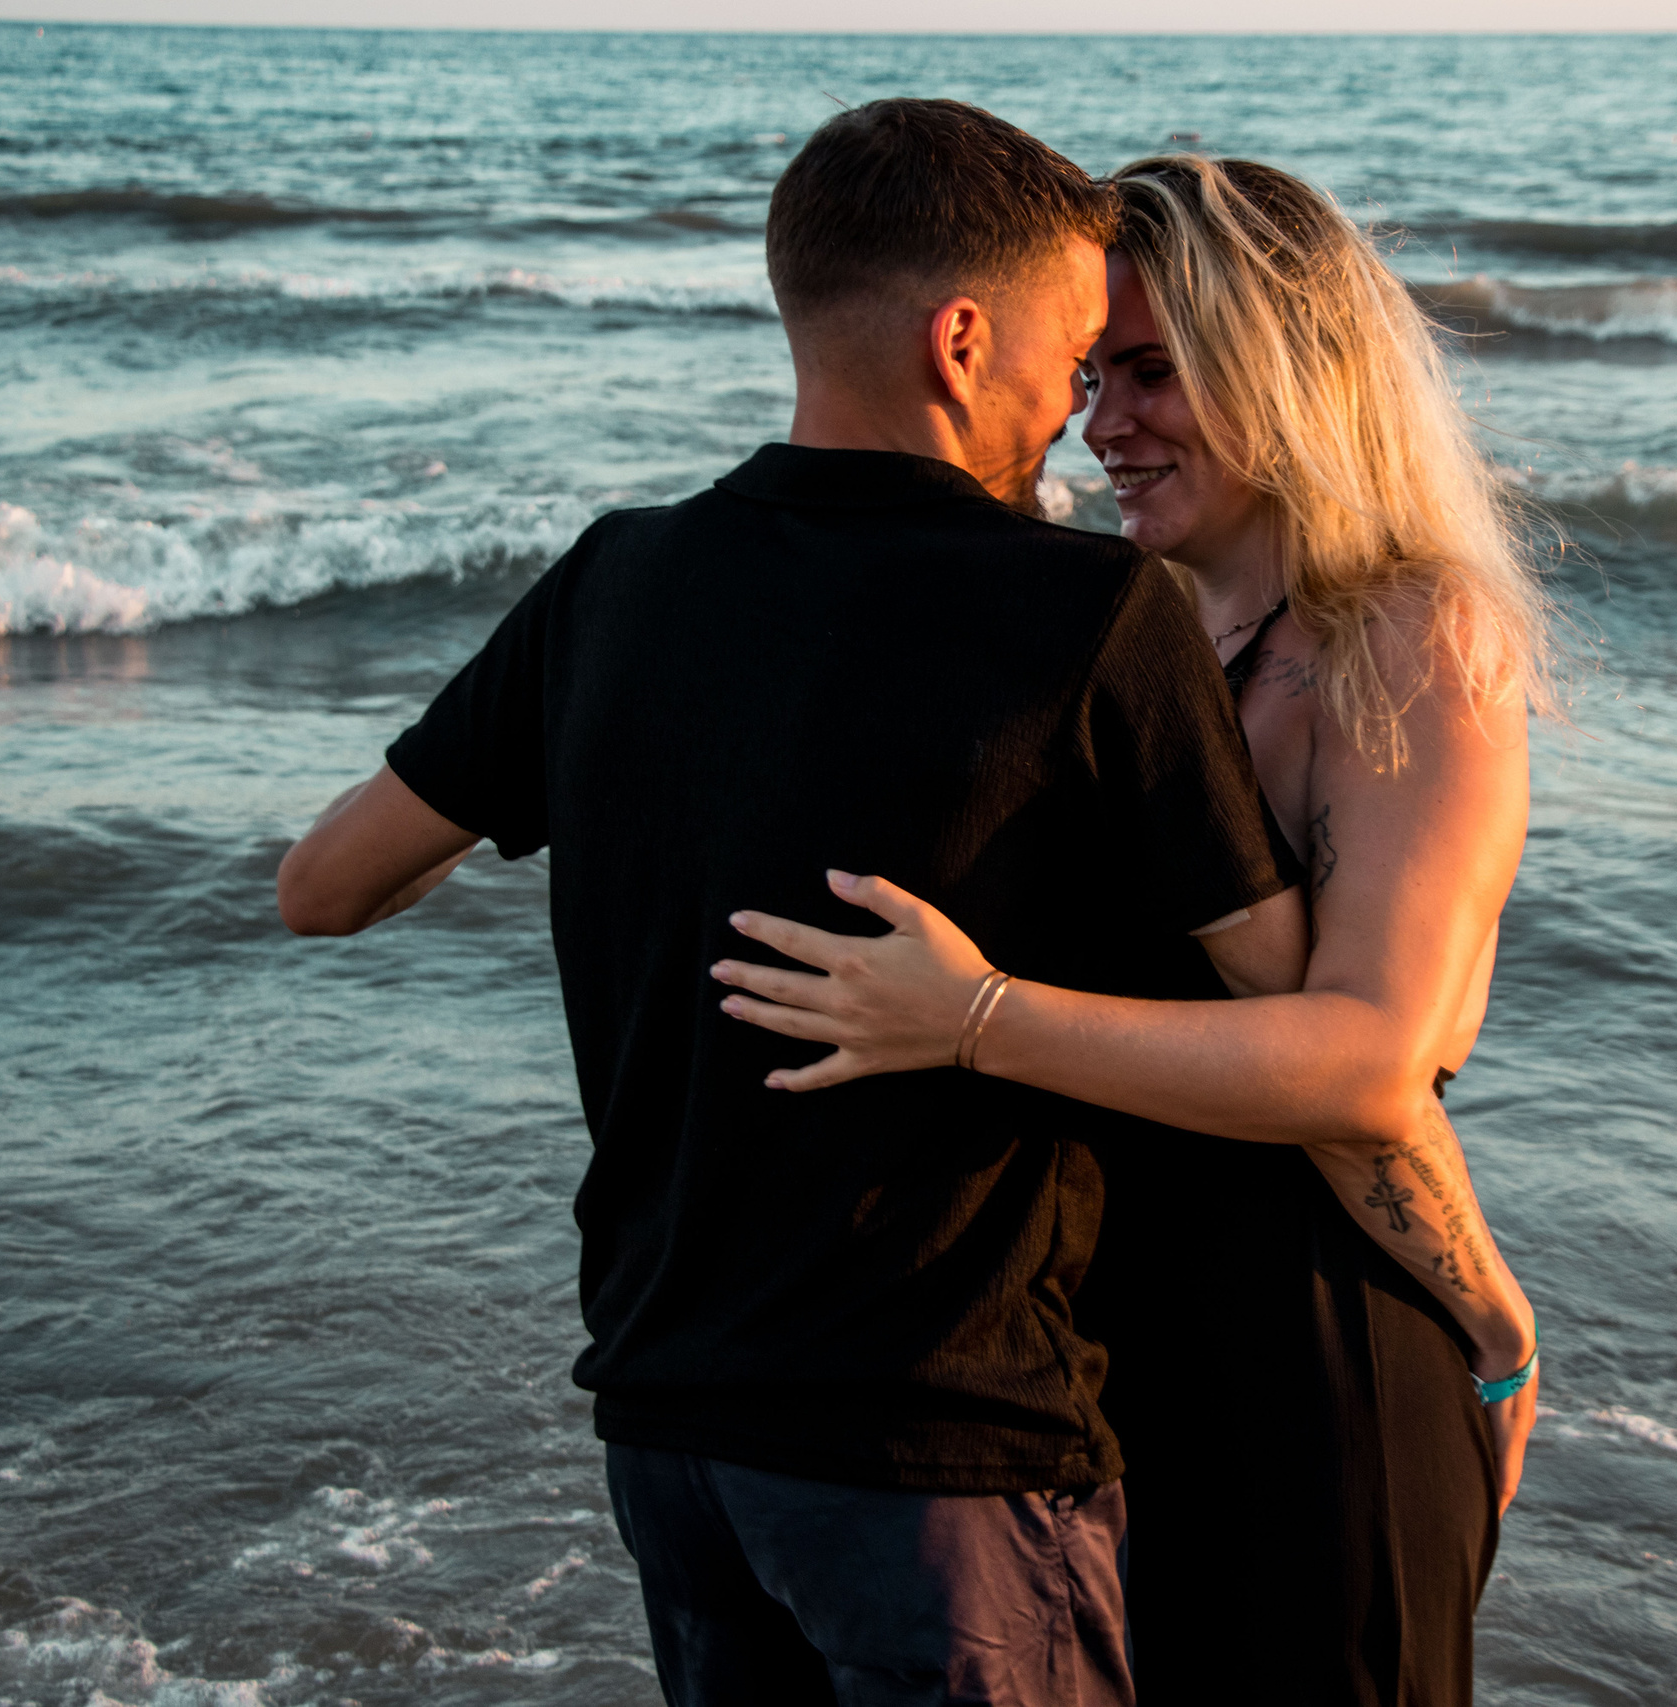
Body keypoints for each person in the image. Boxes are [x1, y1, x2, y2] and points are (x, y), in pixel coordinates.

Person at [276, 104, 1315, 1707]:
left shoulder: (611, 582)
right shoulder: (1093, 609)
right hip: (946, 1447)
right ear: (960, 343)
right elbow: (1283, 978)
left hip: (672, 1434)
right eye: (1069, 363)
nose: (1077, 416)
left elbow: (324, 887)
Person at [712, 156, 1552, 1707]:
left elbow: (1369, 1060)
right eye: (1093, 374)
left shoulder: (1407, 637)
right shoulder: (1127, 622)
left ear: (1289, 365)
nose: (1103, 423)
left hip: (1319, 1359)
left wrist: (975, 1018)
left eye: (1155, 372)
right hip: (1099, 1362)